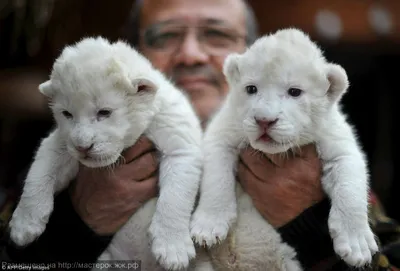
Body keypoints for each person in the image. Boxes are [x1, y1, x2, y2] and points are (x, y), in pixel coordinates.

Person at [1, 0, 399, 270]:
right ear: (134, 54)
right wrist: (77, 227)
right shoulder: (67, 150)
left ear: (249, 58)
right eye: (165, 36)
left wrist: (309, 222)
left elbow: (385, 258)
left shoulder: (315, 156)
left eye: (217, 36)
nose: (191, 53)